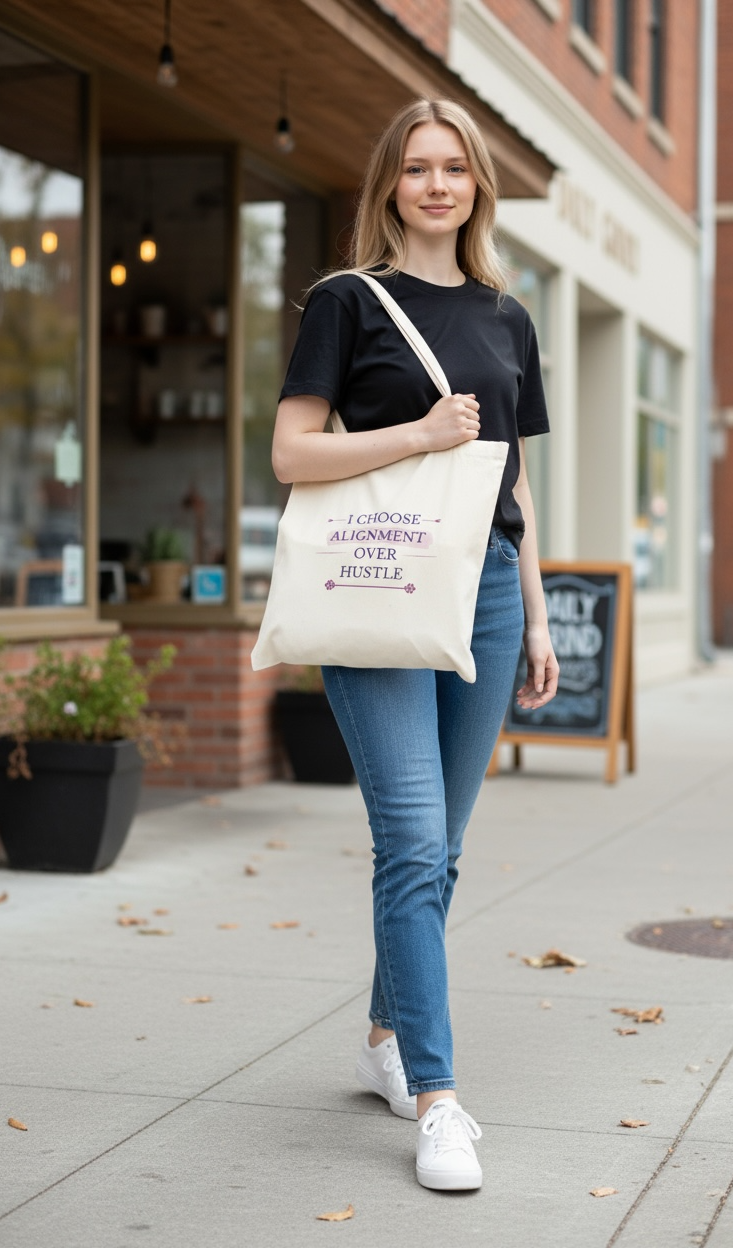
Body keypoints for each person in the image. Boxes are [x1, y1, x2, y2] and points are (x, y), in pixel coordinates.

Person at [271, 97, 558, 1191]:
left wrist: (535, 612)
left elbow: (514, 482)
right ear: (388, 183)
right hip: (383, 581)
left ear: (476, 184)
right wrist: (418, 434)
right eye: (416, 168)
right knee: (410, 839)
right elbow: (294, 454)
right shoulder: (348, 302)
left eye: (454, 168)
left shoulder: (504, 316)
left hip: (484, 590)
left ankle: (384, 1040)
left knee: (439, 852)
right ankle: (439, 1100)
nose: (436, 185)